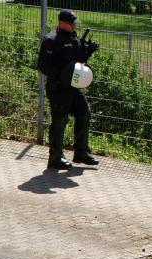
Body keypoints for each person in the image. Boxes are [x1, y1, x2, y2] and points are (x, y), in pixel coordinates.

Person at [38, 9, 99, 170]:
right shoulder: (50, 40)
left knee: (84, 114)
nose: (74, 27)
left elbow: (79, 62)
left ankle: (80, 153)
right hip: (58, 89)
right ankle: (55, 158)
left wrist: (88, 52)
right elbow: (43, 65)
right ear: (62, 23)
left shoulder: (74, 39)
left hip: (74, 87)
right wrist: (61, 74)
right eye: (71, 24)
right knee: (60, 121)